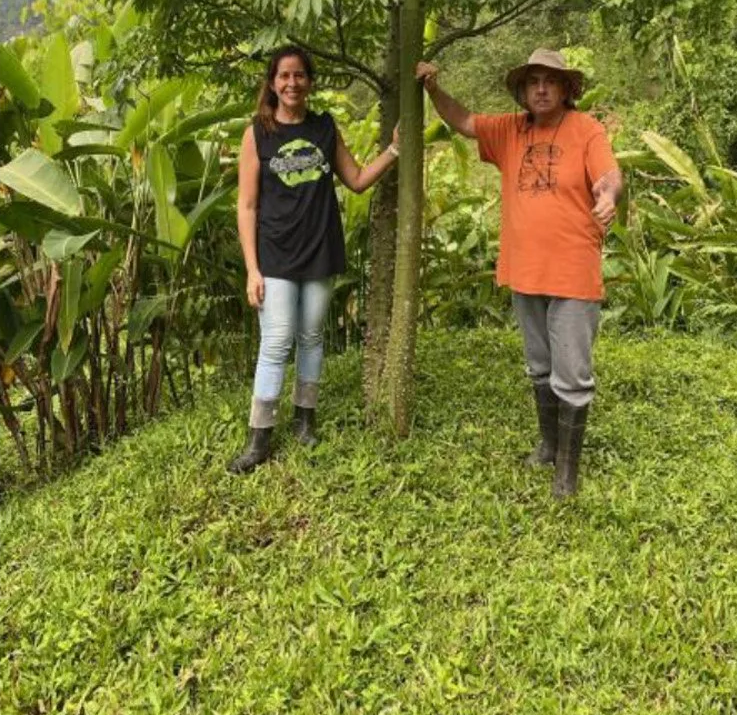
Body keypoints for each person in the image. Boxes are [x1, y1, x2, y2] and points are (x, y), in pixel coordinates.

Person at [417, 49, 622, 498]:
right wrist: (433, 90)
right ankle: (549, 446)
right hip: (525, 270)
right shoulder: (510, 131)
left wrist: (608, 195)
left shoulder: (587, 130)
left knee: (572, 372)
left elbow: (608, 176)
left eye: (551, 81)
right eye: (533, 82)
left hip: (572, 271)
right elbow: (465, 122)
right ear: (523, 91)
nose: (542, 89)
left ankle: (566, 473)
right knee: (540, 367)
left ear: (568, 88)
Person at [226, 47, 400, 473]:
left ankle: (306, 418)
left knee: (311, 336)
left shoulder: (324, 127)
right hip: (275, 254)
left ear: (310, 81)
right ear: (272, 83)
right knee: (276, 340)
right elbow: (246, 206)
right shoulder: (257, 133)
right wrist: (252, 269)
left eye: (300, 75)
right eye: (284, 76)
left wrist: (394, 151)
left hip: (320, 247)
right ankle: (259, 437)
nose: (292, 83)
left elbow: (356, 180)